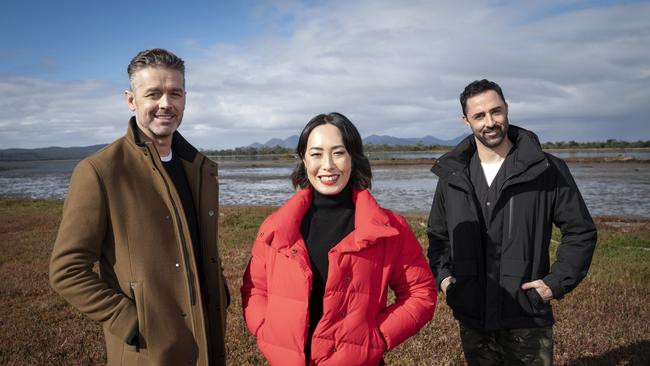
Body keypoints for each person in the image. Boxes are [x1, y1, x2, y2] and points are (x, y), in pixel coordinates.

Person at [49, 48, 229, 366]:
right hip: (148, 353)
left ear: (185, 97)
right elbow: (67, 271)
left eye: (175, 93)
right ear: (131, 100)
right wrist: (131, 322)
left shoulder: (200, 169)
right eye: (154, 94)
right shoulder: (99, 171)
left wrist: (220, 291)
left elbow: (200, 249)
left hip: (206, 341)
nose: (166, 104)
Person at [241, 113, 437, 366]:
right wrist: (266, 328)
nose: (328, 165)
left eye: (338, 152)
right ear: (303, 159)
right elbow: (255, 289)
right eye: (316, 154)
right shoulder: (275, 227)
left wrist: (377, 336)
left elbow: (420, 293)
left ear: (353, 158)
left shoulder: (389, 229)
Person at [427, 79, 597, 365]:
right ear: (466, 120)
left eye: (496, 111)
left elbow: (580, 231)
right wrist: (444, 279)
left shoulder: (547, 168)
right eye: (479, 116)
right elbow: (438, 236)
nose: (490, 122)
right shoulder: (452, 176)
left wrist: (555, 283)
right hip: (473, 315)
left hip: (527, 314)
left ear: (507, 109)